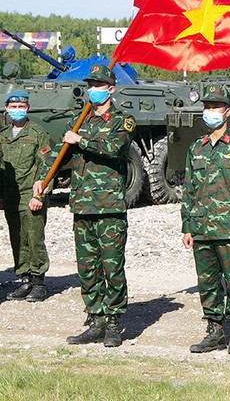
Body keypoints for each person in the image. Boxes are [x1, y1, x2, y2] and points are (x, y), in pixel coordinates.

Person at [34, 64, 135, 347]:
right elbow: (60, 154)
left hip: (109, 207)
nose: (93, 89)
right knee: (87, 268)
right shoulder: (80, 120)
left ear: (111, 89)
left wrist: (81, 139)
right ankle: (95, 319)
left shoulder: (122, 120)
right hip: (81, 205)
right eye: (91, 84)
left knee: (111, 267)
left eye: (99, 85)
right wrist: (42, 177)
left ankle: (114, 321)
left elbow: (113, 148)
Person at [182, 84, 230, 355]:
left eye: (215, 107)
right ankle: (214, 331)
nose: (210, 112)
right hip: (201, 228)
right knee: (208, 282)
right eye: (207, 107)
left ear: (228, 112)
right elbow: (188, 190)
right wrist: (187, 226)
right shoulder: (196, 148)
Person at [0, 89, 51, 302]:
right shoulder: (2, 135)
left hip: (31, 193)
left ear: (27, 108)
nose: (17, 111)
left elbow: (47, 164)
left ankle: (38, 282)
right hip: (10, 195)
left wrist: (39, 195)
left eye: (21, 107)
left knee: (34, 237)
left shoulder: (38, 133)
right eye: (13, 107)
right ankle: (24, 279)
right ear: (6, 109)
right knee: (17, 238)